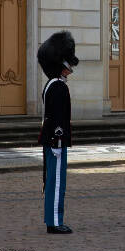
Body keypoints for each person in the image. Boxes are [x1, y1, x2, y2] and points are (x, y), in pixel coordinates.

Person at [37, 31, 79, 234]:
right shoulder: (58, 87)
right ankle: (54, 222)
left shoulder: (53, 85)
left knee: (54, 181)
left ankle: (53, 219)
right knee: (56, 182)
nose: (70, 68)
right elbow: (57, 118)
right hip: (56, 141)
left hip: (53, 139)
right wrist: (59, 139)